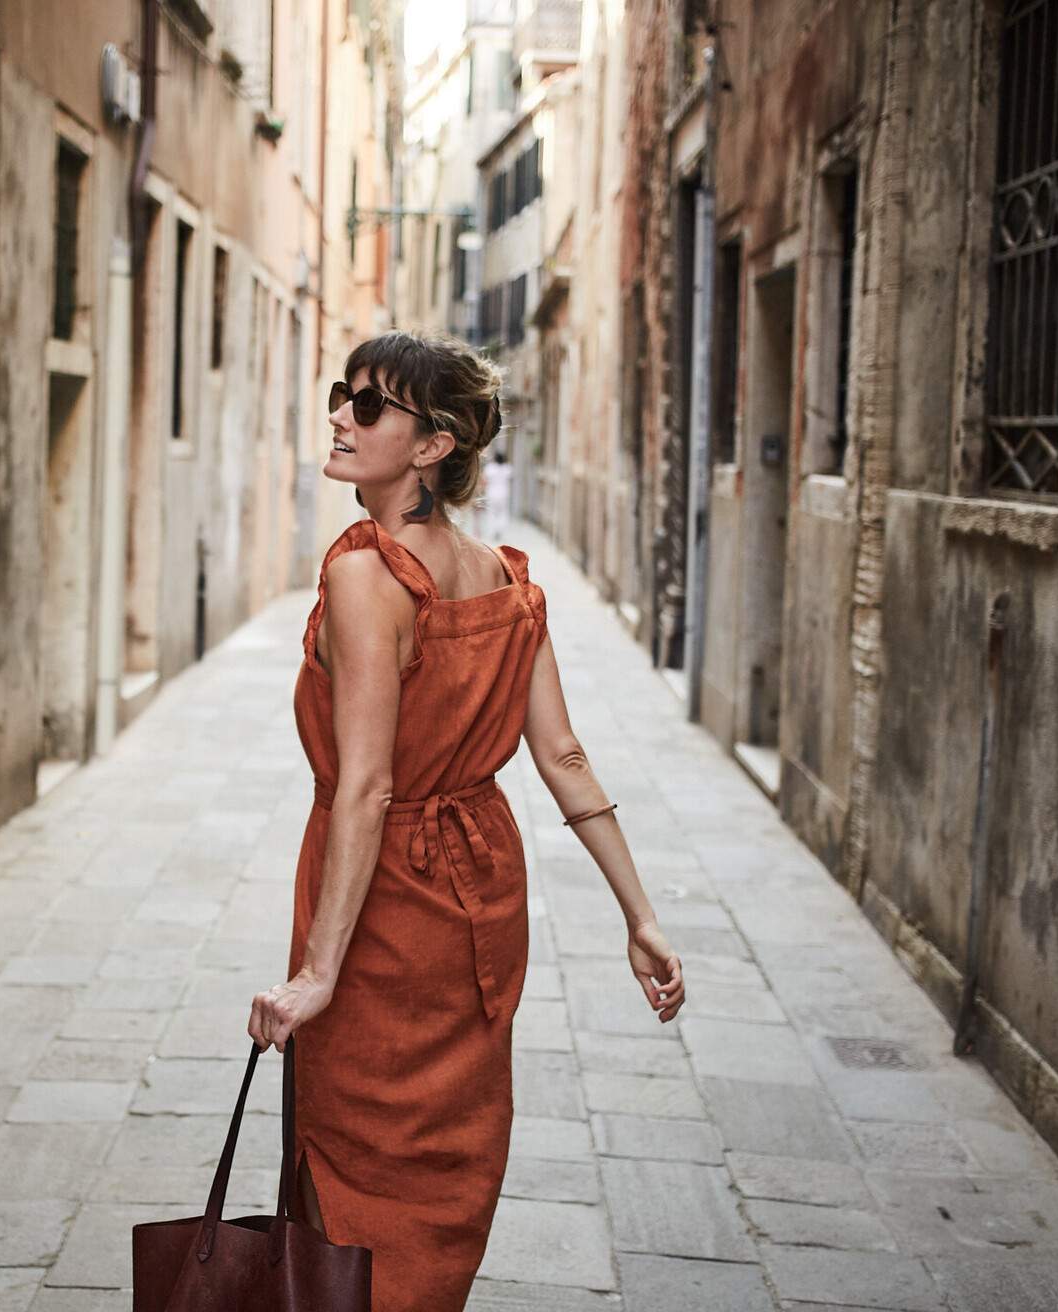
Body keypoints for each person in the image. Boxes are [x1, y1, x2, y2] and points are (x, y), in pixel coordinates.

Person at [248, 329, 685, 1312]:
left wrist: (320, 970)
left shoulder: (369, 573)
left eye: (368, 406)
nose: (339, 418)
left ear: (435, 443)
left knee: (358, 1162)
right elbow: (563, 756)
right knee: (443, 1163)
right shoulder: (504, 578)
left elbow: (367, 787)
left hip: (387, 903)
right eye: (340, 395)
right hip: (479, 897)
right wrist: (640, 915)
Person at [477, 445, 512, 539]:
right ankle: (500, 529)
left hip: (491, 493)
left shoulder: (490, 468)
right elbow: (511, 478)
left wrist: (481, 490)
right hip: (504, 493)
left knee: (491, 513)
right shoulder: (507, 468)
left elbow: (484, 480)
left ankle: (492, 532)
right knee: (502, 512)